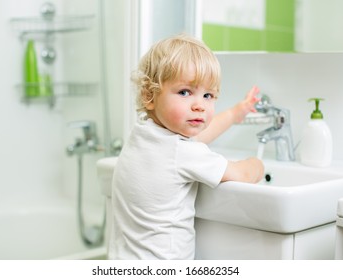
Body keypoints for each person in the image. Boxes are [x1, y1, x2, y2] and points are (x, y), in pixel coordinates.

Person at [109, 34, 264, 260]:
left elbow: (195, 140)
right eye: (185, 92)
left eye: (208, 95)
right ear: (149, 95)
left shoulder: (143, 135)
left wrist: (234, 113)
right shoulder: (183, 153)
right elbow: (242, 174)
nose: (199, 105)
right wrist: (257, 164)